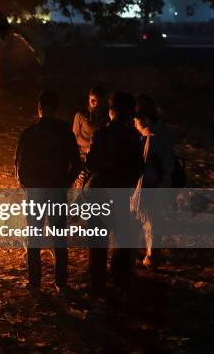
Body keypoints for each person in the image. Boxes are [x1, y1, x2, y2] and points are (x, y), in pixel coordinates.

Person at [15, 91, 81, 295]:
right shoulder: (64, 132)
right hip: (57, 190)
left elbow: (17, 164)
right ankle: (60, 283)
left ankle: (34, 282)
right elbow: (77, 163)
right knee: (59, 237)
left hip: (35, 191)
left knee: (34, 235)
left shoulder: (29, 132)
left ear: (39, 108)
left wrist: (25, 185)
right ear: (57, 109)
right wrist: (66, 183)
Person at [85, 91, 144, 293]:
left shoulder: (102, 134)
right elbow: (138, 169)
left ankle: (97, 284)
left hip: (99, 192)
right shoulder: (134, 138)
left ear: (113, 111)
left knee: (98, 242)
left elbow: (91, 163)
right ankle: (120, 281)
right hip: (120, 195)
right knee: (121, 240)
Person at [132, 95, 174, 268]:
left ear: (145, 119)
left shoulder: (151, 138)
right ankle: (149, 253)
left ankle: (151, 257)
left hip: (152, 186)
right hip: (161, 184)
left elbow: (147, 169)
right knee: (153, 221)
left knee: (150, 221)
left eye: (136, 120)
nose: (135, 124)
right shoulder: (160, 131)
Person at [73, 86, 108, 162]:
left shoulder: (105, 117)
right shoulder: (80, 115)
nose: (93, 103)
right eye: (91, 100)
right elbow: (74, 137)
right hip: (83, 158)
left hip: (100, 158)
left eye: (96, 100)